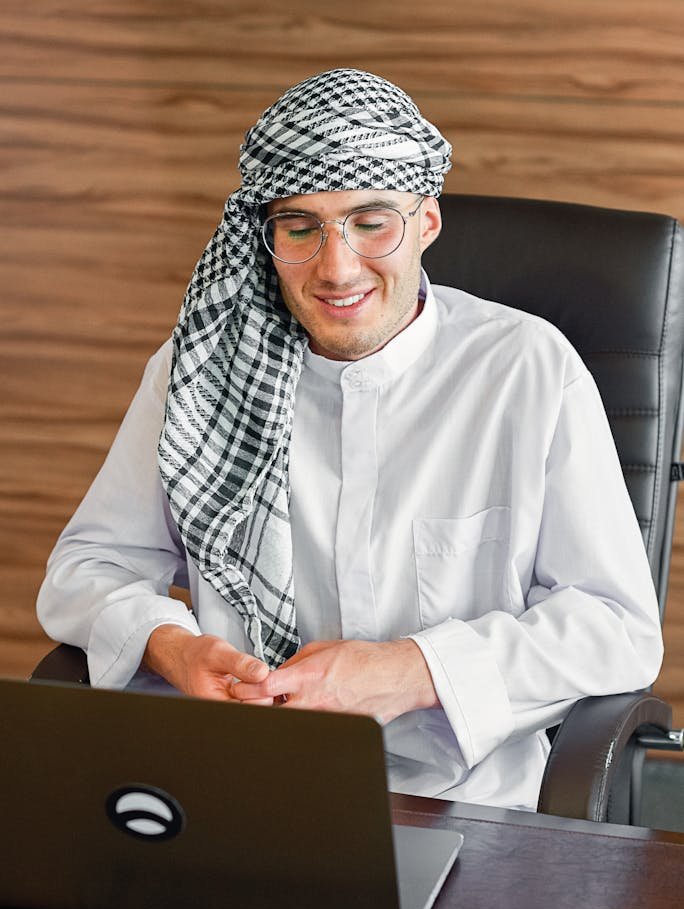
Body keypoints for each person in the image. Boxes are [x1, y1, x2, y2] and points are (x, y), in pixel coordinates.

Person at [37, 68, 663, 811]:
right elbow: (88, 567)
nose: (336, 269)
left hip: (463, 804)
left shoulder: (528, 369)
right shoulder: (198, 368)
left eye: (372, 222)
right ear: (265, 238)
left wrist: (413, 668)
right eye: (301, 228)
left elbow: (615, 629)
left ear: (426, 222)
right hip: (237, 781)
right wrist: (172, 645)